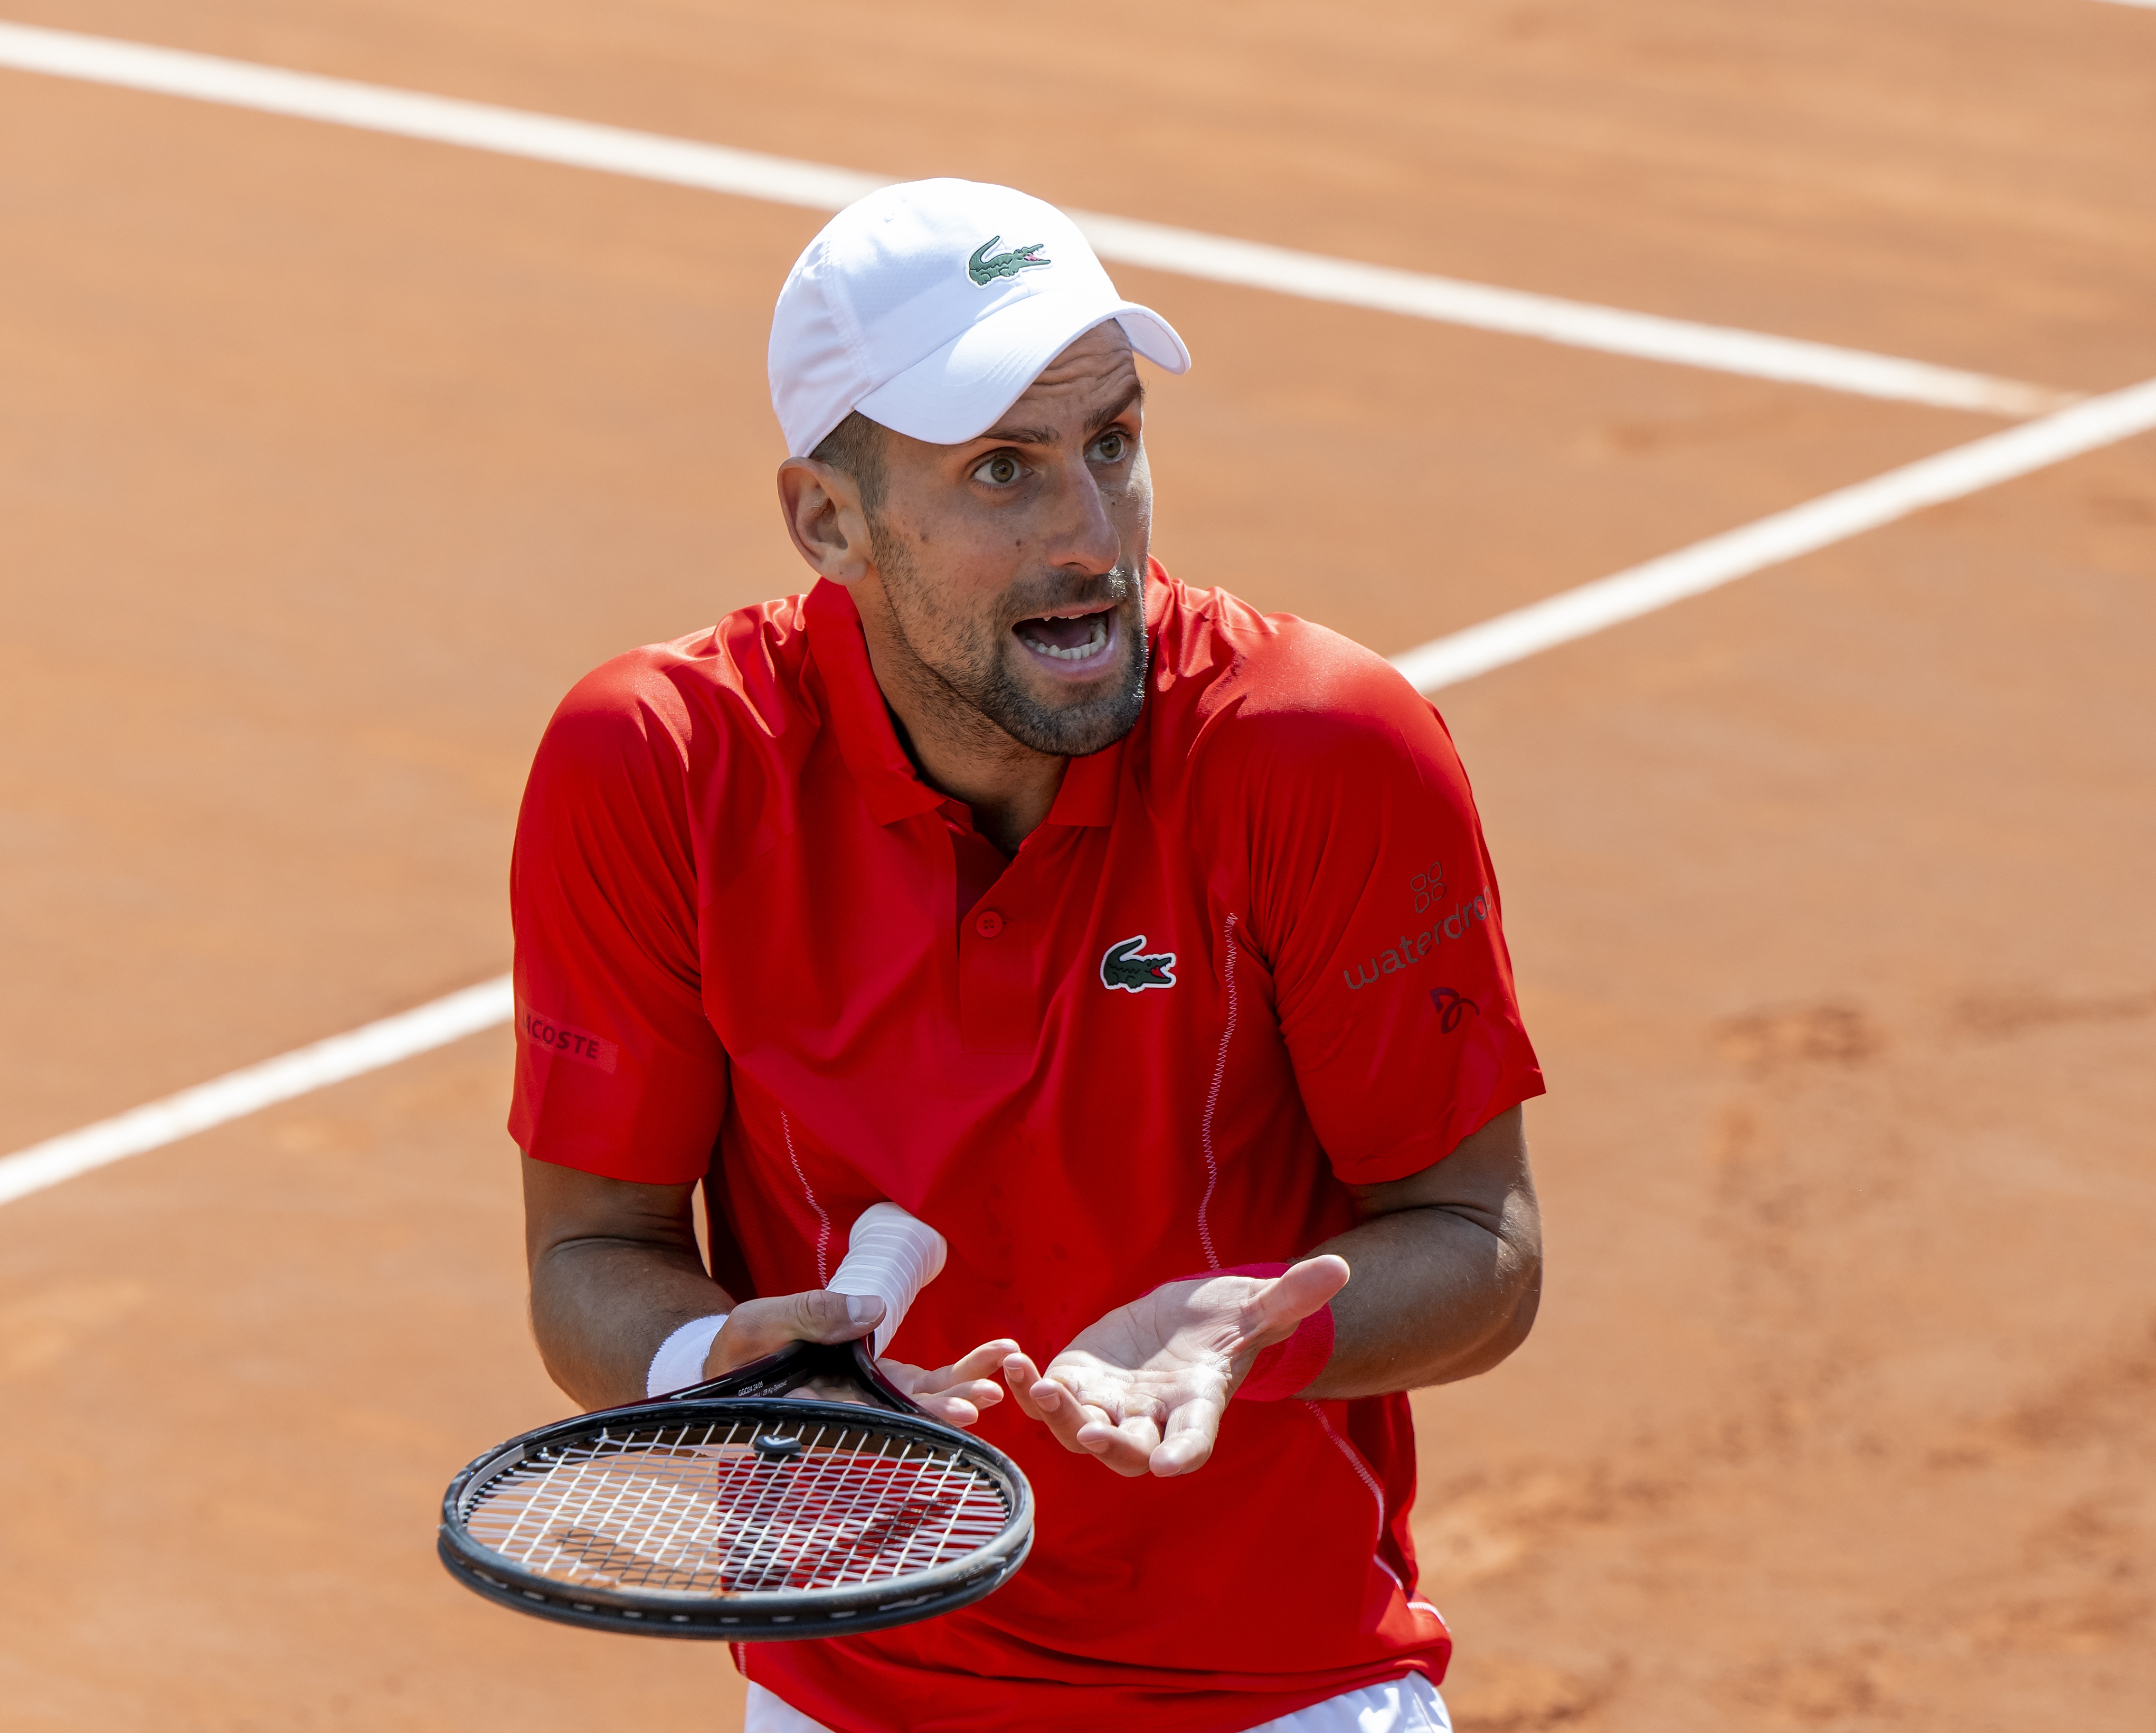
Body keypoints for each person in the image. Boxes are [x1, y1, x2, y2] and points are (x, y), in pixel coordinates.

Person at [509, 177, 1545, 1733]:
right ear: (827, 519)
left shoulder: (1321, 748)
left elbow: (1480, 1242)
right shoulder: (657, 763)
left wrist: (1245, 1334)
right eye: (1003, 468)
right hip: (843, 1686)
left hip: (1278, 1690)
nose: (1090, 536)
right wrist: (722, 1358)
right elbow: (589, 1254)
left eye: (1109, 443)